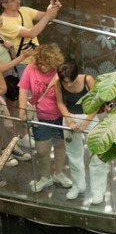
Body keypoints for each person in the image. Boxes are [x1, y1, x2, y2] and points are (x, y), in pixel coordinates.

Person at [18, 44, 71, 192]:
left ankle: (58, 173)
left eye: (46, 64)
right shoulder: (30, 69)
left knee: (60, 145)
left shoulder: (61, 71)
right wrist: (22, 112)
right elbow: (23, 90)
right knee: (41, 150)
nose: (42, 67)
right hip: (40, 116)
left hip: (60, 116)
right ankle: (45, 177)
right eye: (39, 64)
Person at [54, 61, 109, 204]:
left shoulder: (88, 80)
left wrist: (85, 124)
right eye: (65, 83)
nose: (68, 85)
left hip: (89, 116)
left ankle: (98, 191)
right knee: (73, 155)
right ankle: (78, 185)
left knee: (96, 156)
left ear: (75, 75)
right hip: (70, 116)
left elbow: (97, 103)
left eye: (70, 82)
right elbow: (60, 103)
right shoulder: (58, 82)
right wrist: (70, 121)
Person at [0, 0, 61, 76]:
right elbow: (31, 33)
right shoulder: (4, 22)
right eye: (14, 0)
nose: (19, 1)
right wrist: (48, 15)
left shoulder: (24, 10)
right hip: (24, 64)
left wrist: (53, 8)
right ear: (5, 5)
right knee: (29, 89)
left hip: (39, 59)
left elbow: (48, 17)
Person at [0, 44, 34, 166]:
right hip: (5, 78)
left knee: (9, 121)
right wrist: (23, 56)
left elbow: (3, 87)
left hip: (9, 80)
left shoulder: (2, 37)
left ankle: (11, 147)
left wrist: (11, 49)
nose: (1, 23)